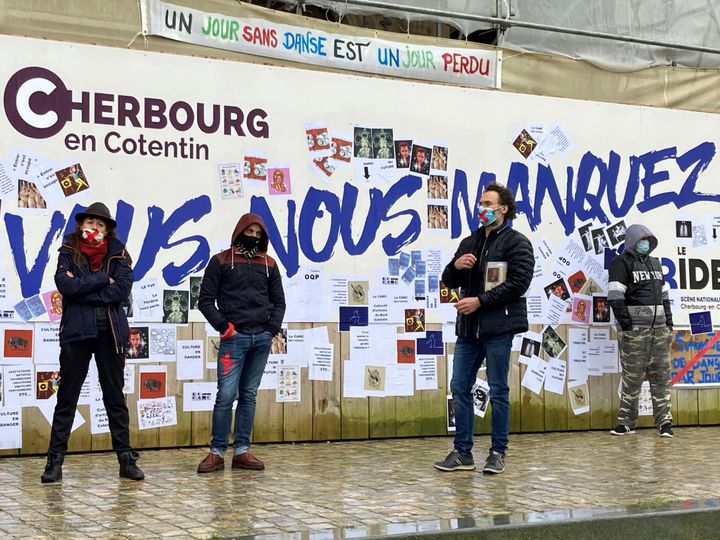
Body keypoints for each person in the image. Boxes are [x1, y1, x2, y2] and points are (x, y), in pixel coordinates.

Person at [41, 202, 144, 483]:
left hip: (110, 332)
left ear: (107, 230)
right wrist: (102, 280)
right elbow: (66, 286)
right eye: (90, 223)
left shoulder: (120, 253)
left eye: (100, 224)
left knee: (114, 396)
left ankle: (125, 459)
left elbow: (121, 291)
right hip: (76, 331)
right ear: (81, 225)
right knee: (67, 397)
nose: (94, 228)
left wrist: (85, 288)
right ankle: (54, 462)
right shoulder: (67, 250)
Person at [434, 184, 534, 474]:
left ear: (503, 208)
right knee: (459, 387)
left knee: (498, 390)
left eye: (488, 203)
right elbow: (448, 280)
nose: (483, 208)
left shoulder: (517, 243)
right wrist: (456, 265)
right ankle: (462, 453)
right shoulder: (471, 241)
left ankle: (497, 452)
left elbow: (518, 284)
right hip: (468, 330)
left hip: (499, 328)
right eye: (481, 202)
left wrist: (480, 301)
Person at [197, 212, 286, 473]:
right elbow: (205, 300)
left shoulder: (269, 264)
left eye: (259, 234)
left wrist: (271, 330)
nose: (254, 237)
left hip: (261, 339)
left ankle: (242, 451)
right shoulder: (220, 261)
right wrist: (225, 329)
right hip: (233, 340)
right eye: (250, 232)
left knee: (248, 395)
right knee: (225, 396)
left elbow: (279, 301)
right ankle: (216, 452)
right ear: (239, 232)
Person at [608, 224, 675, 438]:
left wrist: (669, 324)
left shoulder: (656, 263)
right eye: (642, 239)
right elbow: (615, 298)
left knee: (661, 378)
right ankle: (626, 423)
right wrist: (628, 327)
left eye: (649, 240)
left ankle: (665, 423)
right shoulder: (620, 263)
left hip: (659, 332)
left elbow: (664, 297)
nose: (646, 243)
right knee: (632, 377)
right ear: (632, 240)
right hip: (634, 334)